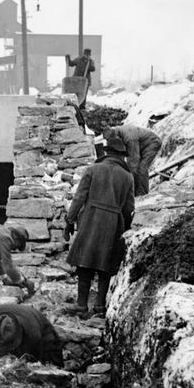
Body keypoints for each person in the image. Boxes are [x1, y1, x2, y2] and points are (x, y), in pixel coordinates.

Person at [64, 136, 135, 317]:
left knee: (84, 262)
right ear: (122, 156)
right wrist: (124, 229)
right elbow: (129, 208)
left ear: (106, 152)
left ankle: (81, 305)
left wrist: (70, 220)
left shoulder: (93, 169)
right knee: (106, 265)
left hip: (91, 219)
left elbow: (79, 197)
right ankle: (100, 306)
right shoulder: (127, 177)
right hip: (114, 224)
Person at [0, 304, 64, 368]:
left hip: (45, 334)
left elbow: (31, 359)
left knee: (52, 366)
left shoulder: (33, 334)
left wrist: (23, 364)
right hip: (25, 320)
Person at [103, 125, 162, 196]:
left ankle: (142, 194)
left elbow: (134, 159)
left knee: (141, 167)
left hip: (152, 143)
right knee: (133, 168)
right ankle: (136, 192)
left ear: (115, 136)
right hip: (141, 145)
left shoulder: (129, 138)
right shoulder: (117, 133)